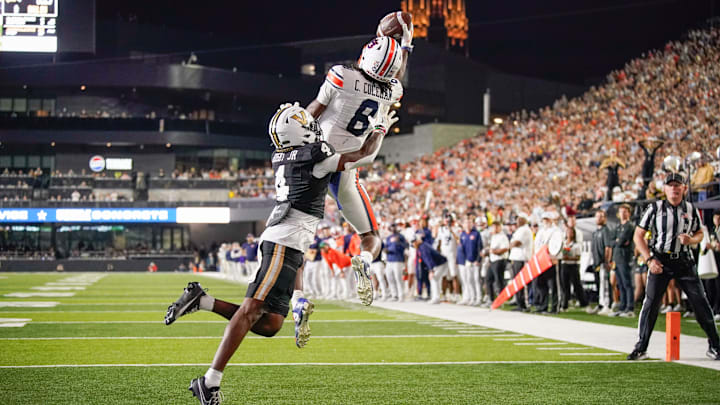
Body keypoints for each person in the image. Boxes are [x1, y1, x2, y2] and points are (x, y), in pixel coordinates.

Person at [163, 102, 396, 404]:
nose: (311, 123)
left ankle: (202, 300)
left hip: (289, 242)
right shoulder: (314, 154)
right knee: (250, 310)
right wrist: (379, 128)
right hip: (283, 243)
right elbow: (363, 155)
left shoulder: (282, 155)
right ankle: (210, 381)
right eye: (305, 122)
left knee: (271, 324)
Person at [304, 29, 412, 306]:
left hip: (316, 158)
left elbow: (311, 112)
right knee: (370, 237)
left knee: (292, 230)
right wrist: (406, 46)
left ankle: (294, 295)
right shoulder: (392, 91)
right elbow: (395, 78)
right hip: (347, 167)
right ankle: (364, 260)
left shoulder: (341, 75)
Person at [628, 172, 720, 361]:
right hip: (660, 260)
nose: (674, 188)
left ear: (684, 188)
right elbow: (638, 235)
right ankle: (641, 346)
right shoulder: (655, 208)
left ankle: (715, 346)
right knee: (651, 303)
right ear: (665, 188)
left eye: (678, 185)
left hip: (684, 261)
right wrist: (649, 259)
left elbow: (699, 233)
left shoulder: (691, 209)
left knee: (700, 303)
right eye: (670, 185)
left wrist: (691, 239)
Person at [559, 216, 588, 311]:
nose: (569, 234)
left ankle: (583, 302)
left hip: (573, 265)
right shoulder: (563, 242)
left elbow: (578, 255)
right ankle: (564, 303)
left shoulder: (577, 242)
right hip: (565, 264)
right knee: (565, 285)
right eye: (568, 232)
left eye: (571, 233)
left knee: (576, 284)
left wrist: (569, 257)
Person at [412, 231, 449, 304]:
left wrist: (431, 270)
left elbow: (428, 259)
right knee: (435, 279)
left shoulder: (423, 247)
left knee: (434, 279)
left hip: (440, 263)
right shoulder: (422, 246)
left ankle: (436, 298)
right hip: (439, 263)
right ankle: (436, 297)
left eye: (414, 241)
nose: (413, 244)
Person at [611, 204, 635, 317]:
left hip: (625, 257)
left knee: (627, 283)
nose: (623, 214)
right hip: (617, 257)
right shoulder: (618, 226)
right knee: (620, 284)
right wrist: (617, 241)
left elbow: (620, 241)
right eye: (621, 211)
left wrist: (618, 241)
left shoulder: (629, 226)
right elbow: (612, 241)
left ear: (629, 213)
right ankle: (622, 306)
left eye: (625, 211)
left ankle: (629, 308)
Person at [588, 210, 613, 315]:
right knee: (599, 285)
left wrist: (607, 261)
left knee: (605, 285)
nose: (598, 218)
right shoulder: (595, 232)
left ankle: (607, 305)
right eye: (597, 216)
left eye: (601, 216)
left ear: (605, 218)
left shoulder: (606, 231)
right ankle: (600, 304)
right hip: (596, 262)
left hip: (603, 262)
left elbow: (608, 247)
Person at [508, 213, 533, 311]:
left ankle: (524, 304)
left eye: (519, 218)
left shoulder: (525, 230)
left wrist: (510, 244)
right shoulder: (520, 230)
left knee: (522, 282)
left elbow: (517, 243)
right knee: (517, 282)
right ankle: (520, 303)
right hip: (517, 258)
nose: (517, 220)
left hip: (522, 258)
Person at [436, 214, 460, 302]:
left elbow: (458, 240)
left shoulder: (456, 229)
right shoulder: (441, 230)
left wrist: (452, 231)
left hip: (452, 255)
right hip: (444, 255)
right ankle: (444, 295)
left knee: (454, 275)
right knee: (444, 276)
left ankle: (457, 295)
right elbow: (438, 242)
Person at [385, 221, 409, 301]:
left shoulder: (401, 236)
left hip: (398, 259)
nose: (393, 228)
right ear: (389, 228)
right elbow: (386, 247)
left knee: (398, 278)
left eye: (394, 226)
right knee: (389, 278)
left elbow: (406, 246)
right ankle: (394, 295)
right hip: (389, 259)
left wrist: (398, 242)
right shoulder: (388, 238)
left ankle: (401, 295)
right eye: (391, 226)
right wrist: (386, 250)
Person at [487, 221, 509, 302]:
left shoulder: (503, 237)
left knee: (499, 281)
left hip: (500, 260)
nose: (495, 228)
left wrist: (495, 251)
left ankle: (502, 299)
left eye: (496, 227)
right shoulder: (494, 236)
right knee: (488, 279)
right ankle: (491, 299)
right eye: (493, 227)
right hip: (493, 260)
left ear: (500, 227)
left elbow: (505, 248)